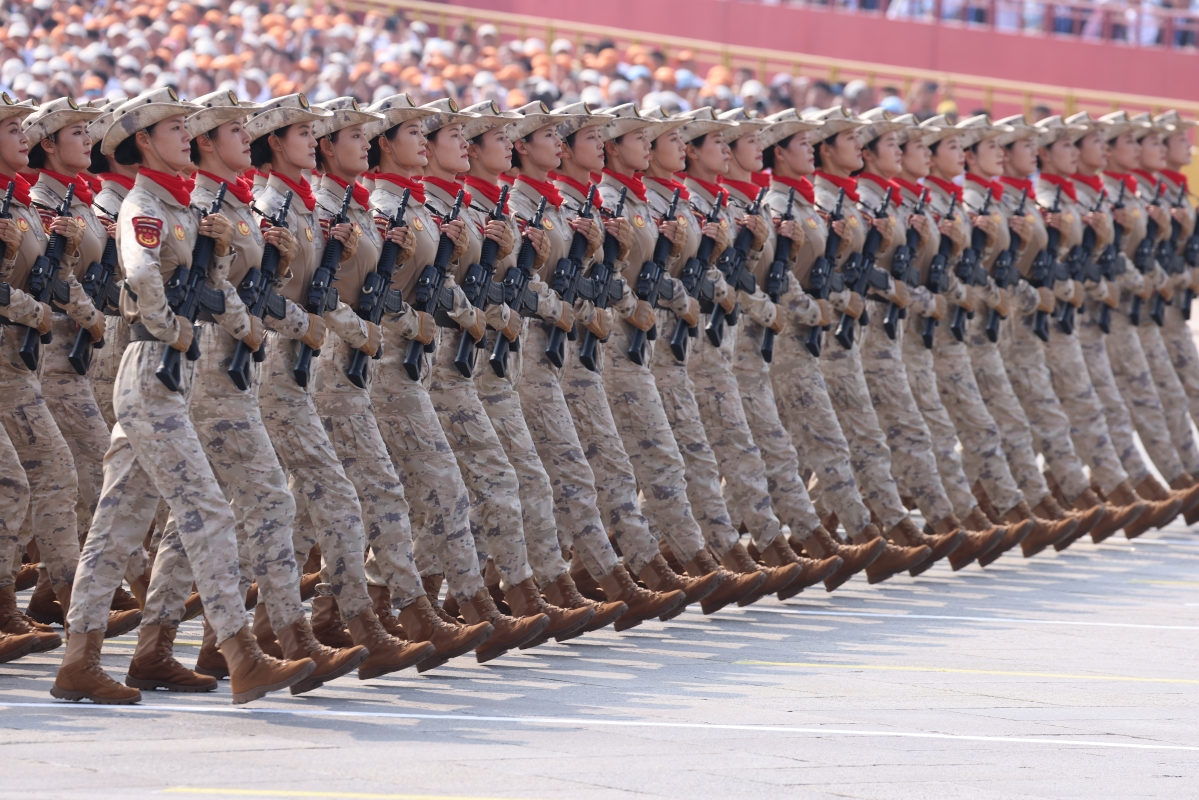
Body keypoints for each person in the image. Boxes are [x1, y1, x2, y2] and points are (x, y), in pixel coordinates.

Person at [55, 88, 315, 705]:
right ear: (144, 141)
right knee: (209, 509)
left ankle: (83, 660)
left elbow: (209, 286)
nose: (186, 136)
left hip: (174, 373)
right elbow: (141, 273)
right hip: (154, 368)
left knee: (118, 520)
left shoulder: (184, 207)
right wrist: (171, 327)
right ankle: (242, 655)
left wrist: (228, 285)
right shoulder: (143, 205)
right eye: (175, 128)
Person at [501, 100, 693, 623]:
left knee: (575, 471)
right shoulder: (527, 206)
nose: (594, 145)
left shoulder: (569, 204)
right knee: (552, 474)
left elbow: (596, 277)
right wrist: (589, 308)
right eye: (587, 137)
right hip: (531, 353)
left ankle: (592, 575)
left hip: (569, 352)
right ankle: (600, 578)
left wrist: (611, 267)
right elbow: (522, 283)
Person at [359, 94, 525, 665]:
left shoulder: (420, 204)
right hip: (390, 361)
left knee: (418, 491)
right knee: (429, 488)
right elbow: (369, 291)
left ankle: (406, 606)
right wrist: (438, 318)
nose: (439, 143)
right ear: (386, 143)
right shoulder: (386, 206)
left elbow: (442, 278)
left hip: (431, 359)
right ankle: (461, 607)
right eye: (422, 132)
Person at [595, 104, 768, 605]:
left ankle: (668, 560)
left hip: (670, 345)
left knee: (666, 459)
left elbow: (699, 270)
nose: (655, 146)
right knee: (652, 461)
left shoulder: (663, 200)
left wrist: (741, 252)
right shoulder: (615, 201)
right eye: (650, 138)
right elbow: (618, 275)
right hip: (625, 344)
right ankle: (694, 562)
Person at [415, 97, 559, 657]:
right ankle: (491, 600)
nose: (451, 144)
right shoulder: (424, 208)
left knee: (458, 487)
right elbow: (427, 284)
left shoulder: (472, 207)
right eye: (458, 136)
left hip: (474, 358)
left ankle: (455, 602)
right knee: (465, 484)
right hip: (437, 358)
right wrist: (486, 312)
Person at [807, 106, 959, 576]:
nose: (909, 152)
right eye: (890, 143)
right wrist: (902, 294)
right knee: (860, 437)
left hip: (869, 333)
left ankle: (822, 536)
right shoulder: (826, 202)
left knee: (843, 441)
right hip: (841, 331)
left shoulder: (866, 201)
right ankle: (916, 526)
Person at [1031, 114, 1179, 537]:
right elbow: (1046, 267)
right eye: (1071, 144)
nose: (1083, 151)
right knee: (1065, 412)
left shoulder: (1084, 198)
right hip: (1059, 321)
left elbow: (1107, 257)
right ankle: (1114, 494)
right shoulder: (1049, 200)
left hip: (1089, 319)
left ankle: (1074, 495)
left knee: (1077, 411)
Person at [989, 114, 1130, 546]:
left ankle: (1048, 499)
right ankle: (1072, 499)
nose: (1034, 153)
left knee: (1038, 417)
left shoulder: (1035, 200)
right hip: (1011, 326)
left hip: (1045, 322)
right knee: (1030, 416)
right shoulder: (1028, 202)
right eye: (1065, 145)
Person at [955, 114, 1084, 553]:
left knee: (997, 423)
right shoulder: (974, 203)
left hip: (1006, 328)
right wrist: (1026, 296)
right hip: (974, 329)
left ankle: (998, 507)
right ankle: (1012, 509)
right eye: (1001, 146)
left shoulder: (1009, 200)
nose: (1029, 153)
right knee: (985, 424)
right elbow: (971, 271)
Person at [1068, 111, 1199, 522]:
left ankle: (1085, 488)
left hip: (1143, 315)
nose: (1153, 148)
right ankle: (1168, 482)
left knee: (1127, 402)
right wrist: (1156, 278)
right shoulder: (1104, 196)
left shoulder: (1142, 193)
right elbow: (1105, 257)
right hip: (1107, 316)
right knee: (1118, 403)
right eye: (1146, 141)